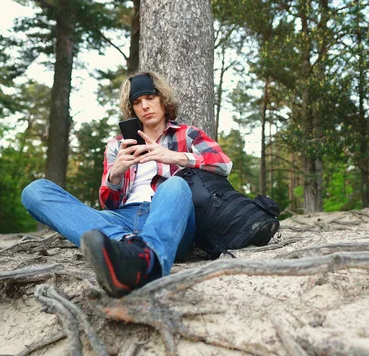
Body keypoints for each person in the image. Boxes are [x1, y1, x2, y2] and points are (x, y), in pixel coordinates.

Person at [21, 71, 233, 298]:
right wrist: (116, 174)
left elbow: (223, 165)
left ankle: (149, 262)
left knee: (174, 185)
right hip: (122, 219)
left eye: (150, 98)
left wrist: (175, 157)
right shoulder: (117, 145)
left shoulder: (188, 135)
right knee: (35, 191)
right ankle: (129, 247)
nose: (145, 106)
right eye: (137, 102)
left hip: (169, 218)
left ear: (162, 99)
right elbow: (108, 203)